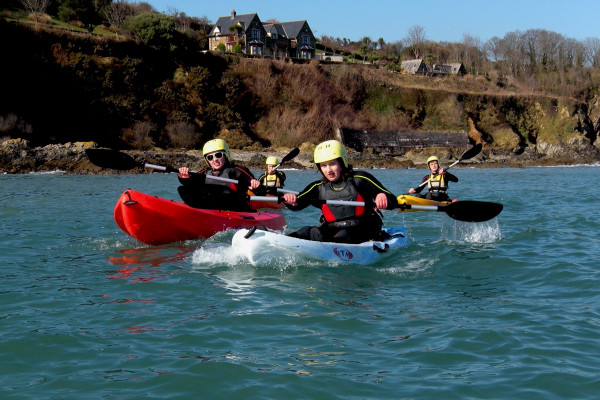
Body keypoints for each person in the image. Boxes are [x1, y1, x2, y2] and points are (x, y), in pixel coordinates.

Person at [281, 140, 398, 244]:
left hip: (363, 230)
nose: (328, 170)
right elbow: (298, 203)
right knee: (307, 231)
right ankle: (280, 242)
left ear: (342, 162)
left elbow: (392, 200)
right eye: (323, 165)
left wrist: (381, 196)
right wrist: (290, 200)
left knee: (343, 235)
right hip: (332, 230)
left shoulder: (361, 179)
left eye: (332, 164)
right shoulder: (318, 187)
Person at [177, 139, 262, 211]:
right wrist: (184, 177)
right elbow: (191, 182)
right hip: (212, 206)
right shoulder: (205, 172)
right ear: (207, 160)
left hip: (235, 207)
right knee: (183, 189)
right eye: (210, 157)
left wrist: (255, 186)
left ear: (225, 155)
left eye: (218, 155)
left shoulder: (237, 171)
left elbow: (257, 187)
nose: (215, 160)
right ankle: (198, 211)